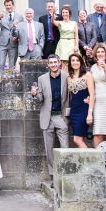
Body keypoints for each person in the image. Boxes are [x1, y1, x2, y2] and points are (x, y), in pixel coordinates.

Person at [30, 55, 69, 185]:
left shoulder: (66, 77)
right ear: (48, 65)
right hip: (47, 118)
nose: (53, 64)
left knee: (65, 148)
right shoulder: (42, 79)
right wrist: (35, 95)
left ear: (59, 63)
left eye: (55, 62)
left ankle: (65, 177)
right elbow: (40, 99)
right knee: (49, 149)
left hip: (61, 117)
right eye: (50, 62)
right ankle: (53, 177)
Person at [67, 52, 95, 149]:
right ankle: (85, 163)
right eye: (73, 60)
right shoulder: (68, 78)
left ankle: (91, 162)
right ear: (70, 63)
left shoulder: (87, 75)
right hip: (74, 110)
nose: (75, 62)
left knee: (77, 140)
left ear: (81, 62)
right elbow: (70, 96)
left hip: (84, 109)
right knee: (79, 139)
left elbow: (92, 95)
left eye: (77, 60)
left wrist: (90, 113)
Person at [0, 0, 22, 70]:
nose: (8, 7)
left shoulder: (19, 17)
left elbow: (21, 30)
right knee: (1, 63)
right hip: (2, 43)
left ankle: (11, 80)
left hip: (13, 43)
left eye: (9, 5)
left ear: (13, 5)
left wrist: (17, 37)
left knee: (12, 65)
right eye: (6, 5)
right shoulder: (2, 15)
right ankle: (0, 78)